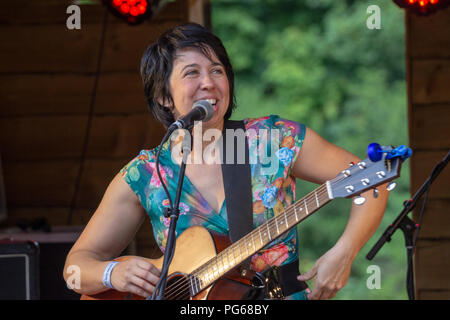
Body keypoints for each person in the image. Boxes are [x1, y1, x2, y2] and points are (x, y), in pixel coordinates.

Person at [63, 23, 389, 300]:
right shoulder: (145, 174)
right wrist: (112, 272)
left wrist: (345, 251)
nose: (209, 82)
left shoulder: (272, 141)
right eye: (192, 73)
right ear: (163, 95)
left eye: (217, 70)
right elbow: (75, 268)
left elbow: (373, 182)